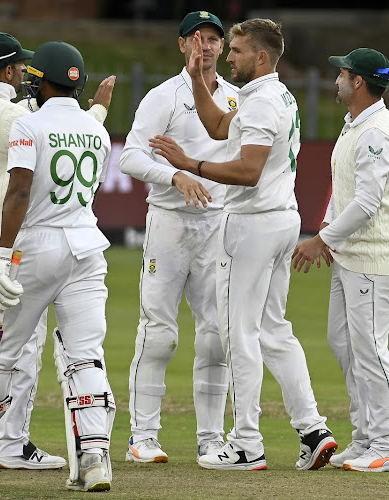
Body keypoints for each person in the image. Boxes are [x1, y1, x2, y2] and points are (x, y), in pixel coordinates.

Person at [150, 17, 337, 471]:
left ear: (261, 57)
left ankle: (247, 442)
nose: (226, 57)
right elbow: (218, 126)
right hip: (281, 221)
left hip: (251, 225)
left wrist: (188, 164)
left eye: (234, 51)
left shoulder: (259, 103)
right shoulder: (275, 95)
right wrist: (197, 81)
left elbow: (248, 170)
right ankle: (313, 429)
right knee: (274, 329)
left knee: (238, 335)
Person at [0, 40, 117, 492]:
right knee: (85, 354)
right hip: (88, 248)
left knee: (0, 355)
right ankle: (93, 459)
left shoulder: (28, 126)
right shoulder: (100, 131)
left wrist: (0, 258)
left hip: (35, 247)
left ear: (40, 80)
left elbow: (17, 194)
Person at [120, 10, 239, 464]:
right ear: (181, 45)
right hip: (169, 224)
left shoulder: (235, 99)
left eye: (213, 39)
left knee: (215, 336)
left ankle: (211, 439)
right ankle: (142, 437)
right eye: (196, 38)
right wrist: (175, 177)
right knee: (159, 333)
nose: (205, 46)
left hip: (217, 226)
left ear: (223, 47)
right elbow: (130, 156)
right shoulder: (162, 96)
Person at [292, 48, 389, 473]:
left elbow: (366, 203)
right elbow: (344, 191)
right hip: (352, 254)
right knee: (344, 344)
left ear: (358, 82)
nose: (336, 80)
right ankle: (366, 437)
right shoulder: (355, 125)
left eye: (341, 74)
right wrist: (329, 236)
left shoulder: (375, 132)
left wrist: (319, 239)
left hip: (376, 256)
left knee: (371, 350)